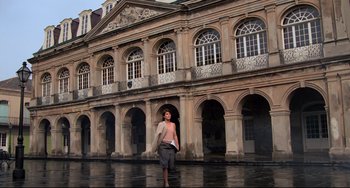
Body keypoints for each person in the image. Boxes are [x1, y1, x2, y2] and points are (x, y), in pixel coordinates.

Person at [151, 109, 179, 187]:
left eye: (169, 114)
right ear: (164, 116)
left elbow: (175, 135)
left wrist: (177, 144)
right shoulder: (161, 124)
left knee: (171, 164)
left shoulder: (173, 124)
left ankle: (165, 177)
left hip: (171, 146)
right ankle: (166, 182)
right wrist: (156, 145)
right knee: (165, 164)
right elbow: (157, 135)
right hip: (163, 145)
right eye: (166, 114)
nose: (168, 115)